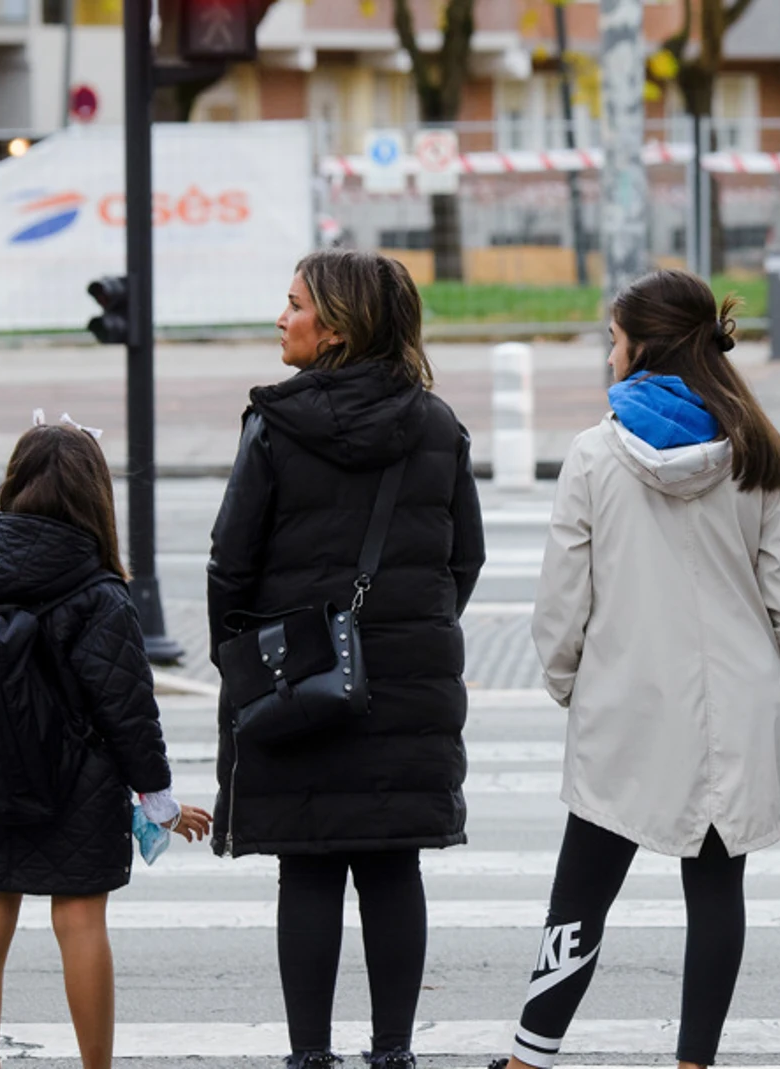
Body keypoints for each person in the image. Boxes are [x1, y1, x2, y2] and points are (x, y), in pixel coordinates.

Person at [494, 269, 780, 1069]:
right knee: (715, 892)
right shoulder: (758, 450)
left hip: (623, 705)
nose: (609, 354)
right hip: (731, 712)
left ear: (640, 345)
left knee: (581, 890)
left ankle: (531, 1056)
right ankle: (693, 1061)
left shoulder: (595, 454)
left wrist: (574, 680)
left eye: (612, 338)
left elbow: (561, 601)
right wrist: (757, 676)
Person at [207, 248, 485, 1069]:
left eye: (293, 305)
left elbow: (231, 564)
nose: (280, 319)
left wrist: (250, 658)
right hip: (404, 680)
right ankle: (393, 1053)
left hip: (298, 682)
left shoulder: (275, 425)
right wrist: (404, 635)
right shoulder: (436, 424)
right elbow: (462, 558)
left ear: (334, 330)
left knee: (310, 869)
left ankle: (309, 1056)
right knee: (394, 866)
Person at [0, 417, 212, 1069]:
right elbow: (128, 709)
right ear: (95, 496)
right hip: (79, 784)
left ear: (13, 487)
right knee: (79, 923)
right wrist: (159, 799)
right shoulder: (99, 594)